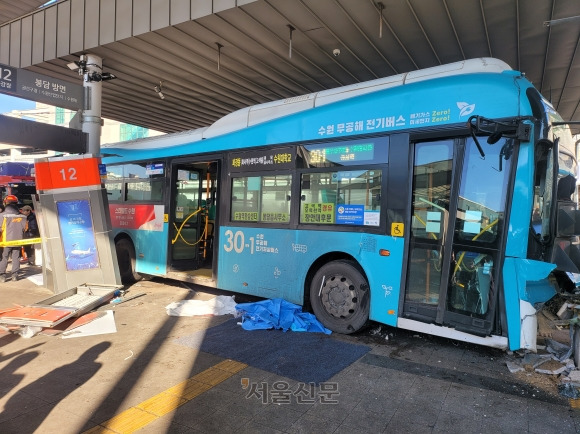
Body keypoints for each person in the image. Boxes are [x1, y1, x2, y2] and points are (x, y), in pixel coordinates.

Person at [0, 195, 27, 282]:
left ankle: (2, 276)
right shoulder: (23, 216)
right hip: (18, 240)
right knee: (16, 257)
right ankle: (15, 275)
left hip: (5, 241)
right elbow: (25, 229)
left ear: (6, 203)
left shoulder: (2, 215)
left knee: (4, 257)